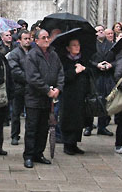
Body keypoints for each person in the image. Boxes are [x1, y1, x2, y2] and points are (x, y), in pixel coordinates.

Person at [23, 29, 64, 168]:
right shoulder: (32, 56)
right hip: (34, 98)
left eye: (48, 37)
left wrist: (58, 88)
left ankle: (38, 153)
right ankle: (28, 155)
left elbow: (60, 72)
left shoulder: (53, 55)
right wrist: (47, 90)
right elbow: (32, 77)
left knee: (43, 128)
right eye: (43, 37)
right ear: (36, 40)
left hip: (48, 99)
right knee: (32, 128)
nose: (47, 40)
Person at [59, 38, 92, 155]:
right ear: (68, 48)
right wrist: (75, 71)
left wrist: (85, 69)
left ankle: (74, 144)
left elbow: (91, 72)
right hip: (69, 95)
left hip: (81, 94)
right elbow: (63, 77)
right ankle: (67, 144)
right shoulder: (64, 60)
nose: (77, 47)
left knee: (79, 120)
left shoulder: (83, 59)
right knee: (69, 120)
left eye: (78, 45)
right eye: (74, 45)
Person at [7, 30, 32, 146]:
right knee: (16, 113)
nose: (27, 41)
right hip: (19, 87)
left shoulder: (34, 52)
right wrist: (30, 78)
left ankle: (30, 135)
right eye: (25, 39)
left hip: (32, 88)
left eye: (29, 38)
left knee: (31, 114)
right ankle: (14, 135)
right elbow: (15, 71)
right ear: (20, 40)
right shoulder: (15, 53)